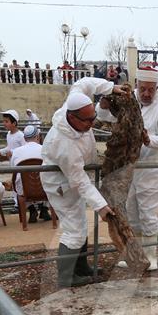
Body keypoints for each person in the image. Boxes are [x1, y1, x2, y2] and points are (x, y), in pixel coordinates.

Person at [41, 78, 126, 287]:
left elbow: (85, 83)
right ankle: (66, 278)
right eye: (87, 121)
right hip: (61, 185)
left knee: (80, 225)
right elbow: (79, 181)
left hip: (74, 178)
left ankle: (81, 268)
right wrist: (101, 206)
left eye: (93, 118)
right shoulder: (64, 145)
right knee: (74, 230)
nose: (91, 124)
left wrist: (111, 88)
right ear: (72, 117)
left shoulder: (75, 101)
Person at [104, 69, 158, 272]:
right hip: (127, 169)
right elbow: (104, 116)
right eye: (143, 89)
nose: (146, 94)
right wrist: (104, 104)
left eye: (150, 90)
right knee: (131, 214)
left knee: (148, 214)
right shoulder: (126, 103)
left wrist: (148, 140)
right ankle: (134, 255)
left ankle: (151, 256)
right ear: (136, 85)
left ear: (156, 88)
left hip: (149, 170)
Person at [10, 124, 52, 223]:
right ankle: (44, 209)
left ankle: (32, 209)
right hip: (43, 189)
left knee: (19, 182)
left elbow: (13, 171)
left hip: (25, 190)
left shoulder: (16, 152)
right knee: (49, 179)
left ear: (24, 138)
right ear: (38, 136)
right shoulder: (45, 150)